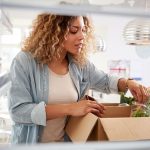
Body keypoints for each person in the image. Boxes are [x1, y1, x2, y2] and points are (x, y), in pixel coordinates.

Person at [8, 13, 150, 144]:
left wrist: (129, 83)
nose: (82, 36)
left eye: (84, 30)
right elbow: (18, 111)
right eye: (74, 30)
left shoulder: (79, 64)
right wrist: (70, 108)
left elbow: (106, 81)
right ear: (54, 32)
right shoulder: (24, 62)